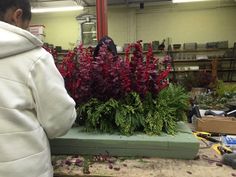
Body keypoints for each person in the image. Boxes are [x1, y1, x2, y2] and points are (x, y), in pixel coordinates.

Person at [0, 1, 76, 177]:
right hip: (23, 169)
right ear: (17, 16)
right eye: (27, 25)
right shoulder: (35, 59)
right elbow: (59, 122)